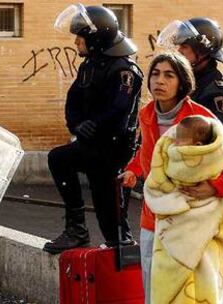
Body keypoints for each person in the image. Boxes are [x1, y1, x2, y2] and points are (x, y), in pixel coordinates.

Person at [119, 52, 223, 304]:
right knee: (153, 291)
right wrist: (134, 170)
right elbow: (151, 152)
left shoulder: (199, 120)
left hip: (192, 223)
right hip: (154, 216)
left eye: (169, 75)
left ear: (182, 82)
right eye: (155, 74)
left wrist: (215, 187)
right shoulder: (147, 114)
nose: (160, 81)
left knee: (191, 294)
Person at [43, 4, 143, 254]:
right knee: (59, 158)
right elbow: (73, 100)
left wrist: (94, 125)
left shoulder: (124, 70)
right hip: (90, 144)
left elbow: (119, 109)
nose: (77, 42)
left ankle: (121, 251)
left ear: (97, 39)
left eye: (82, 37)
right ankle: (76, 230)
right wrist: (77, 124)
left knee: (109, 211)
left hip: (112, 150)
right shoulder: (89, 65)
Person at [143, 114, 223, 303]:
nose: (174, 144)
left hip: (199, 235)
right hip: (172, 236)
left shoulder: (203, 120)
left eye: (180, 141)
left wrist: (216, 186)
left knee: (198, 281)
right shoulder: (147, 113)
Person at [157, 17, 223, 136]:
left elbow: (221, 145)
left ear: (202, 51)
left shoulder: (217, 94)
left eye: (184, 46)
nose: (179, 51)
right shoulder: (187, 83)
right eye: (179, 46)